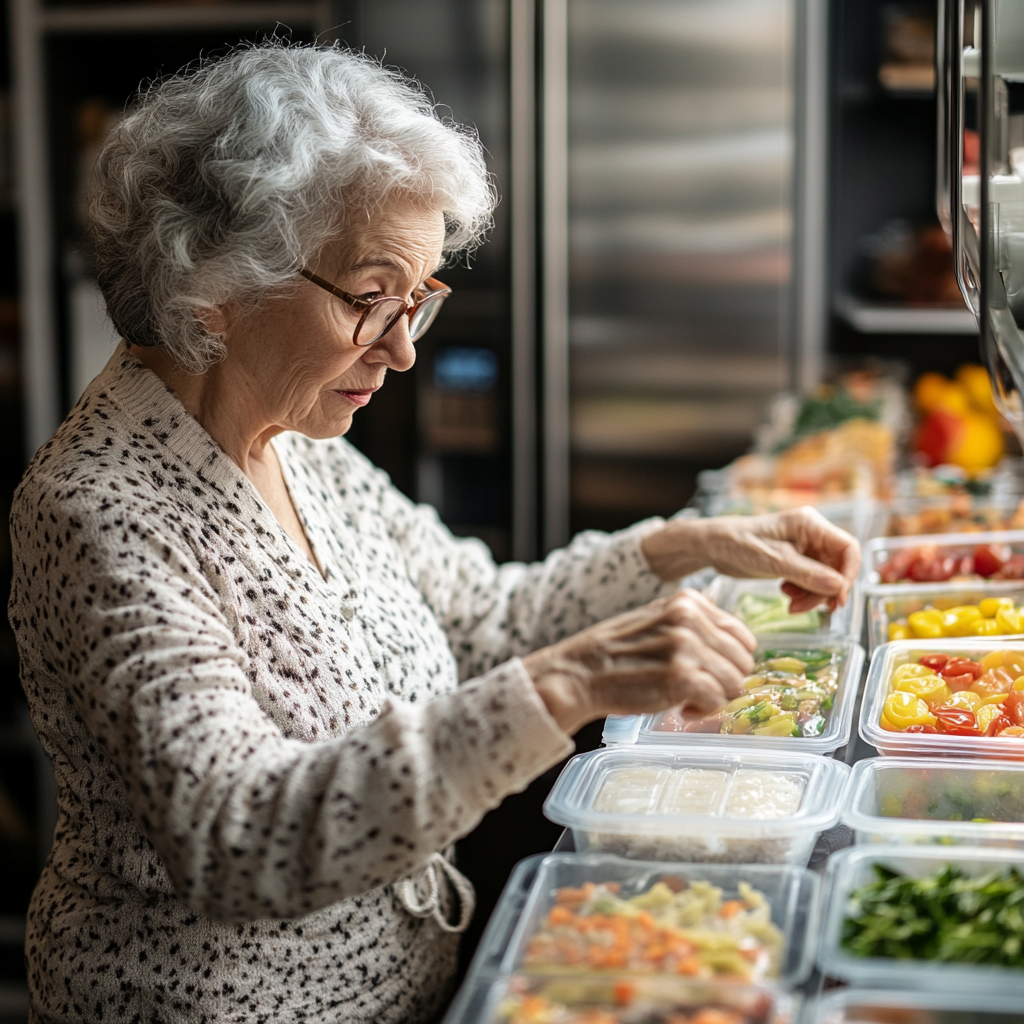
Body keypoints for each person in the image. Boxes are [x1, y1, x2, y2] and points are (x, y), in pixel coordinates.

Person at [8, 42, 859, 1024]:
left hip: (413, 987)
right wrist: (573, 681)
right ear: (218, 286)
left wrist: (693, 545)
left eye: (418, 301)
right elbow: (236, 834)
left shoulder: (294, 439)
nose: (404, 350)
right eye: (371, 299)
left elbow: (485, 616)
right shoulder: (100, 509)